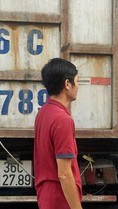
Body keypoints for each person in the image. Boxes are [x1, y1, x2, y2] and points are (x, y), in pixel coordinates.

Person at [34, 58, 83, 209]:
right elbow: (64, 174)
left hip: (46, 196)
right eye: (77, 81)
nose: (78, 86)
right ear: (68, 84)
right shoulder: (63, 120)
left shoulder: (43, 112)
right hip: (60, 199)